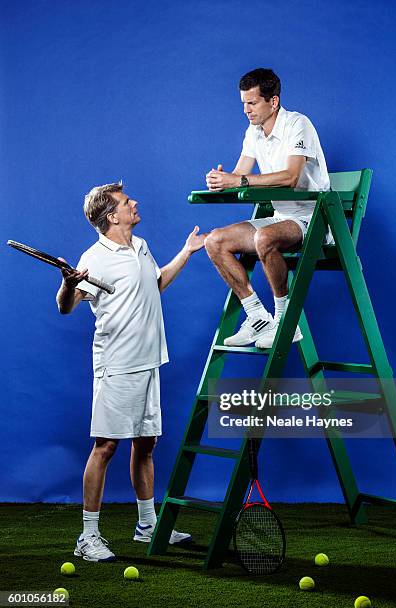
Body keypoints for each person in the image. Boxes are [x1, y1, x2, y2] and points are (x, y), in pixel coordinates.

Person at [56, 181, 206, 562]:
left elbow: (155, 285)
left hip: (149, 360)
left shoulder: (140, 246)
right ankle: (88, 536)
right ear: (112, 216)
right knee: (105, 446)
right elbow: (66, 307)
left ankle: (147, 525)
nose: (134, 203)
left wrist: (186, 252)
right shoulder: (94, 258)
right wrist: (67, 284)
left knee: (146, 444)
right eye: (126, 202)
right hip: (116, 365)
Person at [204, 68, 330, 349]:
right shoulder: (253, 132)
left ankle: (287, 321)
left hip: (313, 219)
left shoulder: (298, 124)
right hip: (280, 218)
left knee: (264, 238)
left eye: (252, 103)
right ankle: (258, 317)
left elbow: (290, 177)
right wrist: (221, 181)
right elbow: (240, 173)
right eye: (243, 104)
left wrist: (239, 180)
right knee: (214, 241)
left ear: (273, 102)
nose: (246, 110)